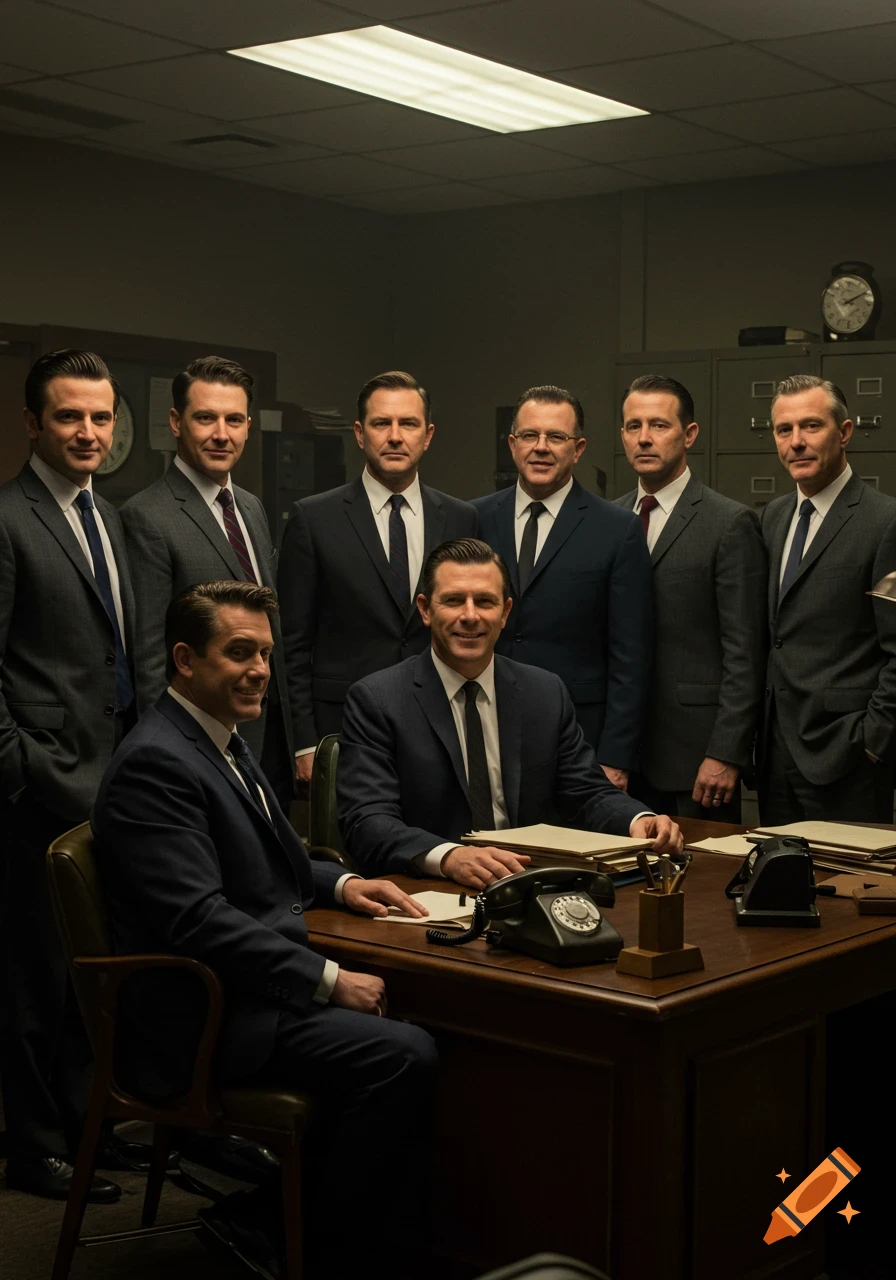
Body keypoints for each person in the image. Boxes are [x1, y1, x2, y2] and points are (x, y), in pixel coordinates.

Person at [91, 580, 437, 1278]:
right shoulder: (158, 761)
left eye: (267, 655)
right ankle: (294, 1239)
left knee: (417, 1022)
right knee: (405, 1055)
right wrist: (327, 980)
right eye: (239, 652)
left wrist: (341, 882)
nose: (258, 671)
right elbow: (197, 919)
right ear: (185, 660)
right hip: (205, 1017)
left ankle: (284, 1218)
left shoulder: (218, 737)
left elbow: (272, 852)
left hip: (247, 988)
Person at [337, 538, 682, 887]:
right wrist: (449, 857)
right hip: (432, 890)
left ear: (505, 613)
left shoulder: (544, 693)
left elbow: (588, 793)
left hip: (531, 885)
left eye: (485, 602)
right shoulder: (378, 700)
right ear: (426, 610)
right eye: (454, 600)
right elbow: (367, 821)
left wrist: (637, 819)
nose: (470, 616)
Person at [0, 350, 135, 1201]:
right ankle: (36, 1142)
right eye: (69, 417)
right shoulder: (8, 519)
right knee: (33, 978)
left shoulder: (108, 516)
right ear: (32, 424)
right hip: (36, 793)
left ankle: (90, 1124)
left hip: (110, 781)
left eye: (99, 417)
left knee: (93, 965)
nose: (88, 432)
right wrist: (27, 772)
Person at [277, 370, 478, 785]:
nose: (394, 436)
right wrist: (304, 742)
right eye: (381, 423)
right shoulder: (314, 519)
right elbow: (292, 644)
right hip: (344, 728)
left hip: (441, 723)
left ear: (428, 435)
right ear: (359, 433)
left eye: (408, 424)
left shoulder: (461, 518)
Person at [120, 356, 294, 806]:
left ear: (249, 425)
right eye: (205, 418)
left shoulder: (251, 509)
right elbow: (149, 658)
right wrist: (171, 761)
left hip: (264, 735)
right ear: (177, 422)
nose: (221, 433)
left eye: (234, 419)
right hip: (199, 750)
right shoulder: (146, 517)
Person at [473, 385, 652, 792]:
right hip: (486, 724)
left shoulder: (617, 528)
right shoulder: (475, 517)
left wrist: (616, 756)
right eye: (530, 436)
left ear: (579, 447)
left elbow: (631, 655)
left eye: (556, 437)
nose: (541, 448)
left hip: (580, 736)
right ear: (512, 444)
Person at [616, 374, 768, 822]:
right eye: (632, 426)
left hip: (697, 762)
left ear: (690, 435)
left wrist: (726, 751)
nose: (644, 438)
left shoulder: (729, 523)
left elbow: (746, 653)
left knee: (702, 885)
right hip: (620, 759)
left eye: (659, 425)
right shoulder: (609, 517)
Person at [759, 374, 896, 823]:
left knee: (847, 890)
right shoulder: (772, 518)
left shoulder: (885, 521)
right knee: (773, 890)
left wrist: (873, 742)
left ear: (845, 432)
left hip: (848, 758)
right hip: (776, 757)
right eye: (784, 430)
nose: (796, 442)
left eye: (811, 426)